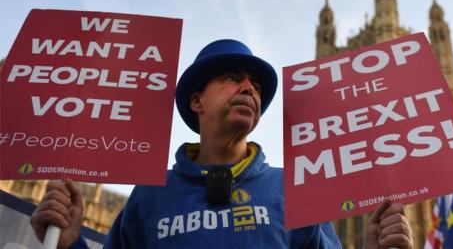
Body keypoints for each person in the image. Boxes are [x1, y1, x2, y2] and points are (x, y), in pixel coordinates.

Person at [31, 39, 413, 248]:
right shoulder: (149, 196)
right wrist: (68, 245)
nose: (249, 88)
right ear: (197, 101)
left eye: (256, 86)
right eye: (232, 78)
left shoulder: (294, 191)